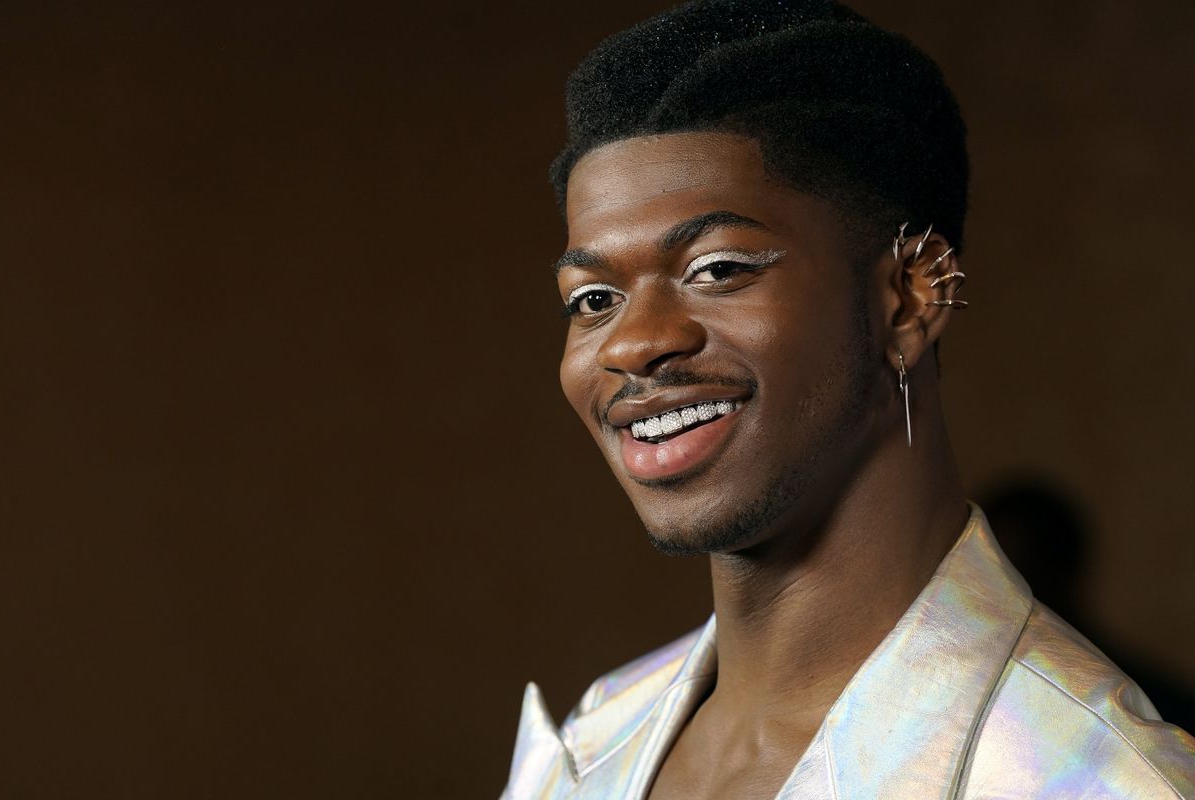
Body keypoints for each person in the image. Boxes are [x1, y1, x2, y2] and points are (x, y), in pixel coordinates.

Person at [502, 1, 1195, 797]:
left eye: (719, 269)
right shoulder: (589, 745)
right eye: (591, 300)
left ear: (909, 298)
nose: (629, 344)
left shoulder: (1096, 779)